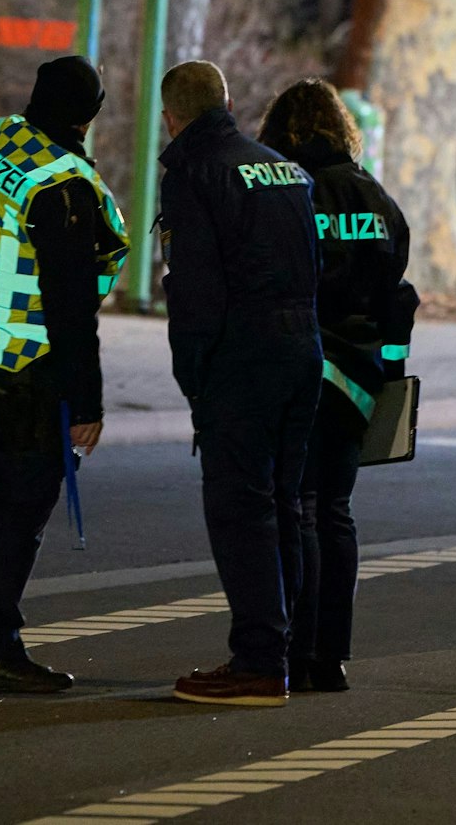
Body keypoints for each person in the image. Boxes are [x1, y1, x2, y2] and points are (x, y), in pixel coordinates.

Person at [0, 56, 129, 694]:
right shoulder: (61, 185)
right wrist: (88, 403)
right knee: (16, 510)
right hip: (26, 367)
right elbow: (71, 310)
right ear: (91, 115)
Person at [157, 60, 323, 707]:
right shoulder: (283, 167)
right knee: (284, 504)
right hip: (301, 350)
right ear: (227, 101)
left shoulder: (193, 172)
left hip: (242, 358)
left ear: (172, 116)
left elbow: (193, 290)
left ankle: (257, 663)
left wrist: (193, 375)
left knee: (240, 510)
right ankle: (288, 654)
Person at [259, 79, 417, 694]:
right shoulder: (375, 199)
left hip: (301, 369)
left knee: (296, 507)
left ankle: (295, 649)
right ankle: (332, 655)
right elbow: (395, 292)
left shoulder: (287, 192)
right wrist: (391, 374)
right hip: (358, 379)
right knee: (335, 510)